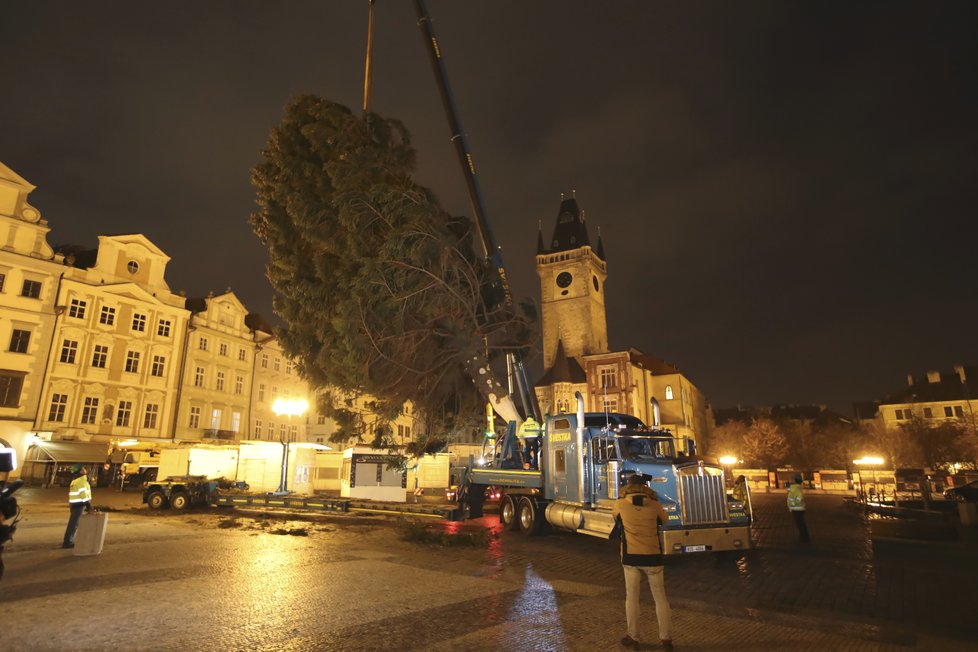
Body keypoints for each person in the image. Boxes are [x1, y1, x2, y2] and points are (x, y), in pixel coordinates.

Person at [612, 474, 673, 651]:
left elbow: (615, 519)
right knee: (660, 598)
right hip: (653, 556)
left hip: (631, 556)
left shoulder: (621, 503)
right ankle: (666, 639)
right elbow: (665, 520)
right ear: (645, 486)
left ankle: (633, 636)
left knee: (631, 597)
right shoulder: (654, 504)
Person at [62, 464, 92, 549]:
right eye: (83, 469)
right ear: (80, 471)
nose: (85, 470)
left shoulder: (76, 481)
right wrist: (89, 506)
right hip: (80, 505)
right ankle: (67, 542)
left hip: (75, 505)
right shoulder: (81, 481)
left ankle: (68, 540)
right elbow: (83, 495)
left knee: (74, 524)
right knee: (74, 524)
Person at [787, 473, 810, 543]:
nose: (791, 480)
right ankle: (804, 537)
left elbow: (799, 497)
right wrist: (788, 487)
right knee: (800, 524)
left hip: (797, 508)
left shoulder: (796, 488)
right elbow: (790, 492)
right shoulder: (796, 487)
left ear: (795, 480)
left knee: (800, 524)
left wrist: (793, 504)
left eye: (792, 479)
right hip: (798, 508)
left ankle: (804, 538)